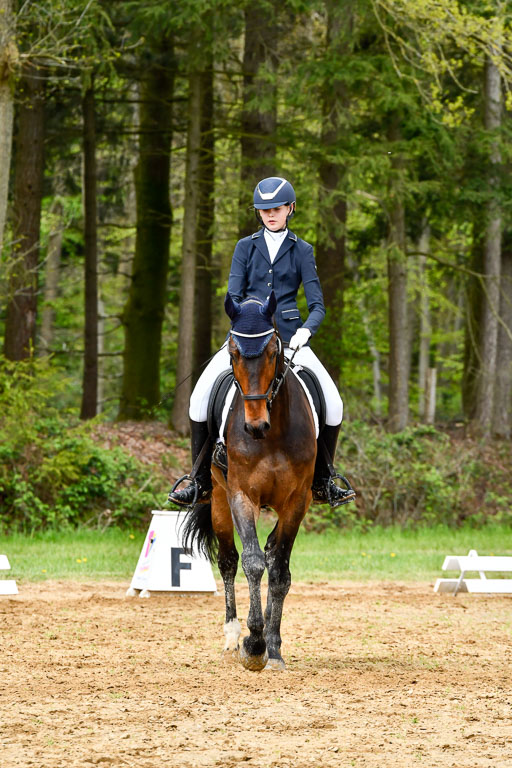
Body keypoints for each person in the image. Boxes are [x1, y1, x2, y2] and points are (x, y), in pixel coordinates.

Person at [169, 176, 355, 508]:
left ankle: (325, 479)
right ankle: (199, 482)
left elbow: (317, 305)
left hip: (290, 339)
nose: (270, 214)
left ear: (290, 209)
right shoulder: (245, 247)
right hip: (247, 338)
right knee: (198, 399)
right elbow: (234, 295)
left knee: (335, 403)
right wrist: (242, 326)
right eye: (264, 209)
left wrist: (304, 332)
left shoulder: (302, 250)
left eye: (277, 208)